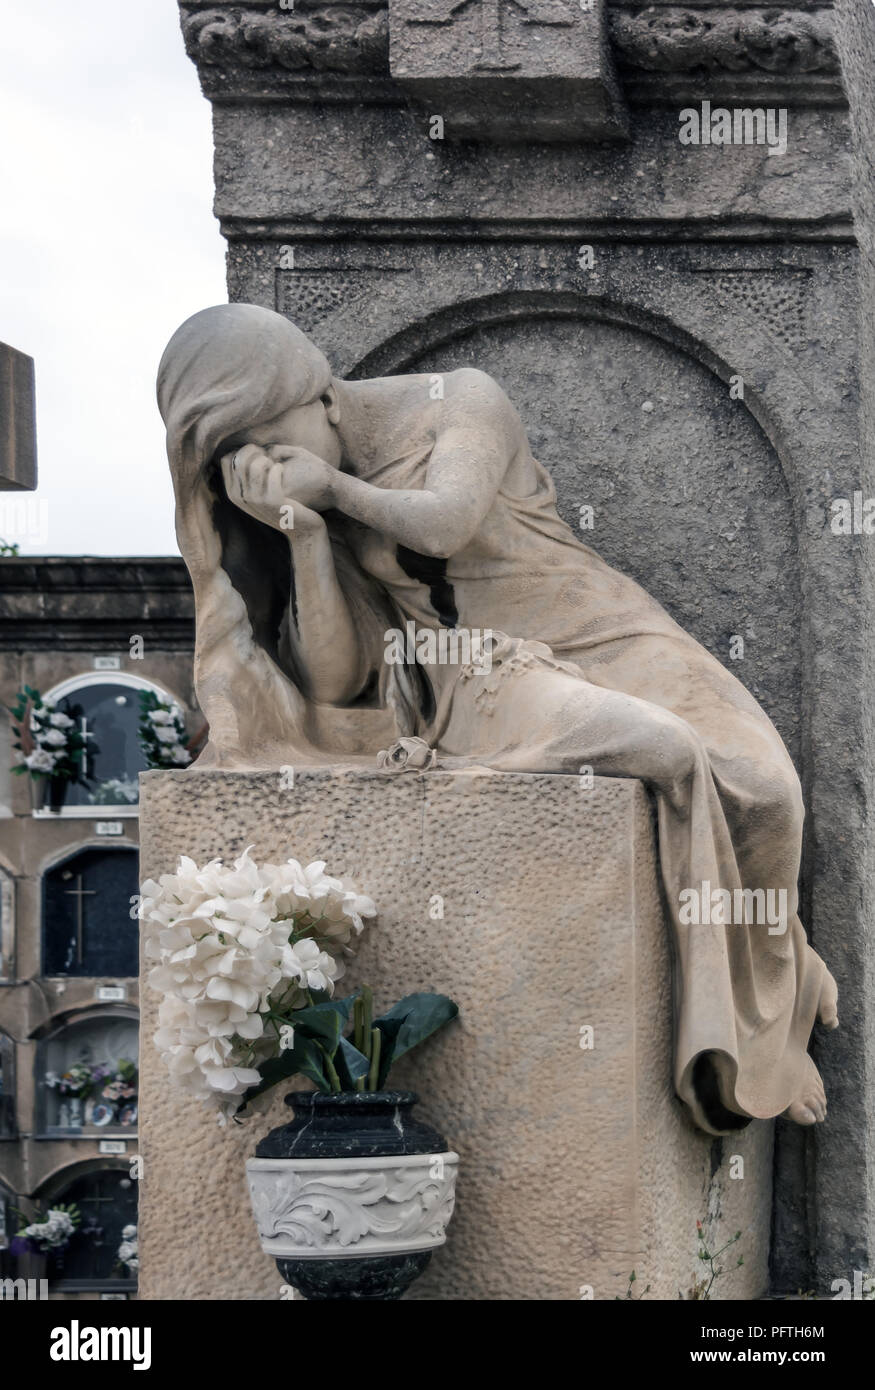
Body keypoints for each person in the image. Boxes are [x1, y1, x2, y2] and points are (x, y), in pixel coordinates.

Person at [158, 302, 838, 1136]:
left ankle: (783, 973)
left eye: (270, 438)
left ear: (322, 396)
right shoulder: (308, 498)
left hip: (601, 624)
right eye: (240, 459)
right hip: (479, 669)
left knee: (769, 793)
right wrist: (303, 531)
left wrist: (332, 488)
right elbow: (336, 685)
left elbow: (448, 518)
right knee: (660, 747)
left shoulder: (457, 399)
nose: (266, 467)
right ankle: (751, 1052)